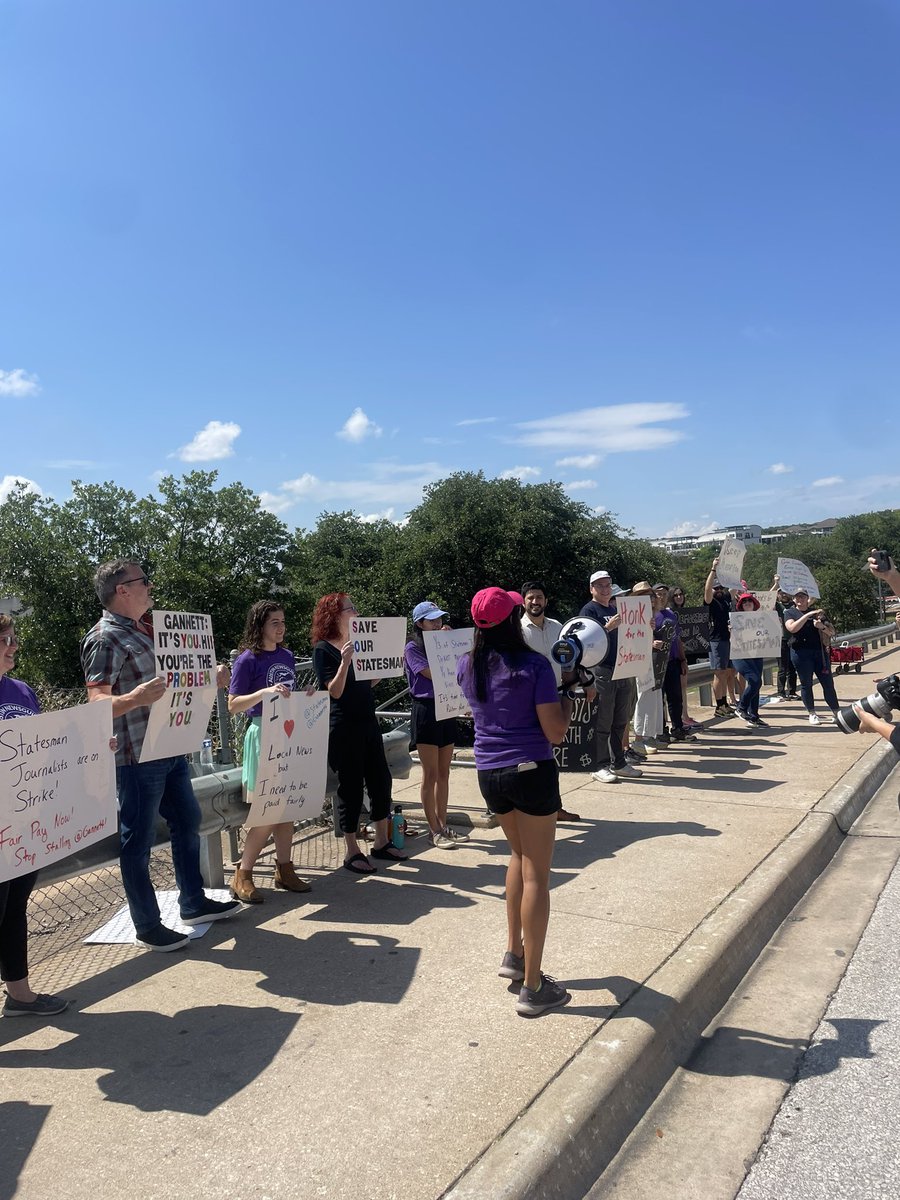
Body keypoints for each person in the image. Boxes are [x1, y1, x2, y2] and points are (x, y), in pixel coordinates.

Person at [80, 561, 242, 952]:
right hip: (136, 756)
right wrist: (134, 698)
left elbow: (180, 679)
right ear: (122, 590)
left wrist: (211, 675)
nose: (151, 587)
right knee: (137, 840)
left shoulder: (150, 631)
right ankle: (147, 925)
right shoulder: (104, 638)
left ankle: (193, 902)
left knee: (187, 820)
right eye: (143, 581)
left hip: (169, 745)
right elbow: (96, 700)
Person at [457, 586, 574, 1017]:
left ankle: (513, 954)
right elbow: (556, 731)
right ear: (513, 620)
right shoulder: (534, 666)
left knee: (518, 856)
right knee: (538, 877)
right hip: (531, 771)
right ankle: (534, 987)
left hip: (490, 774)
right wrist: (571, 694)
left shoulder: (467, 665)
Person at [0, 615, 69, 1016]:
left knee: (13, 908)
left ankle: (20, 995)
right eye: (5, 640)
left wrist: (97, 745)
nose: (13, 646)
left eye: (14, 638)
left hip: (24, 823)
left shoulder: (23, 691)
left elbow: (46, 749)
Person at [311, 593, 407, 874]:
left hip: (367, 721)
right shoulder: (323, 650)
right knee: (350, 788)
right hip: (343, 726)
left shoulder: (361, 642)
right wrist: (345, 661)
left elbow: (368, 681)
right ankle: (351, 849)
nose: (356, 611)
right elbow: (335, 690)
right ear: (335, 614)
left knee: (381, 780)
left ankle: (381, 840)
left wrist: (387, 663)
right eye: (351, 608)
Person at [227, 601, 312, 903]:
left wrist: (308, 699)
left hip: (287, 733)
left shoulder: (287, 656)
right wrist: (262, 694)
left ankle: (284, 869)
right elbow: (233, 704)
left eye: (283, 622)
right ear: (259, 625)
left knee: (287, 809)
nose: (281, 627)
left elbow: (288, 697)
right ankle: (243, 874)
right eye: (274, 622)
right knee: (269, 810)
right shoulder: (247, 660)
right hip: (263, 734)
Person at [404, 601, 468, 849]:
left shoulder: (442, 640)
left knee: (444, 772)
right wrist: (445, 646)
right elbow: (435, 673)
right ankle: (433, 829)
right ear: (420, 624)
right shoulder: (412, 647)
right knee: (429, 774)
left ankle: (443, 824)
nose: (437, 623)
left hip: (446, 707)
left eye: (439, 619)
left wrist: (451, 643)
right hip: (426, 710)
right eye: (431, 620)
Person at [519, 581, 582, 820]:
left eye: (539, 597)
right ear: (524, 602)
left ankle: (554, 807)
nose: (535, 602)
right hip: (529, 701)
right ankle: (533, 809)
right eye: (531, 598)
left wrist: (583, 684)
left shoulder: (559, 627)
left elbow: (572, 658)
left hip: (556, 695)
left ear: (546, 600)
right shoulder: (518, 630)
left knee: (551, 755)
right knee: (533, 756)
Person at [580, 570, 638, 784]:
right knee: (603, 719)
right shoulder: (589, 610)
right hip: (602, 669)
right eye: (600, 585)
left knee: (620, 719)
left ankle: (619, 762)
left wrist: (644, 629)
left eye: (608, 585)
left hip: (622, 666)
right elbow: (586, 640)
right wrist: (607, 627)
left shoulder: (615, 607)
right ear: (592, 589)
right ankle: (600, 764)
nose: (605, 589)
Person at [783, 587, 840, 724]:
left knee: (828, 683)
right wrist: (806, 616)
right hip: (800, 653)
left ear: (808, 599)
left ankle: (836, 711)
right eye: (797, 597)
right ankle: (812, 713)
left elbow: (832, 633)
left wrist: (821, 627)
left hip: (819, 652)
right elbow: (792, 628)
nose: (800, 599)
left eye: (802, 597)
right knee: (806, 684)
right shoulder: (790, 612)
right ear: (793, 599)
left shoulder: (817, 613)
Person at [654, 584, 697, 742]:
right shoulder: (650, 615)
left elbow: (677, 639)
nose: (662, 597)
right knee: (659, 699)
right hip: (656, 662)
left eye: (664, 594)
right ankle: (661, 730)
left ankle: (677, 728)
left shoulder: (671, 614)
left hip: (672, 661)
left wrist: (683, 659)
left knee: (675, 697)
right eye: (658, 594)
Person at [730, 592, 767, 727]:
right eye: (744, 602)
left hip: (756, 653)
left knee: (755, 686)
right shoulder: (735, 619)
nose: (747, 604)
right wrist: (731, 629)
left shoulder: (762, 618)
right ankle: (741, 707)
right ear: (741, 606)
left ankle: (754, 716)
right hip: (740, 654)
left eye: (749, 601)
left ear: (754, 604)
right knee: (755, 681)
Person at [704, 560, 734, 718]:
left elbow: (735, 587)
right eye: (717, 588)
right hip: (715, 640)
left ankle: (724, 704)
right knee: (719, 673)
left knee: (725, 672)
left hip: (726, 639)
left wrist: (738, 565)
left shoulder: (725, 599)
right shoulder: (710, 601)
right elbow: (707, 589)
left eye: (721, 587)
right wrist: (713, 569)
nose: (719, 590)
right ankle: (719, 706)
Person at [668, 585, 701, 728]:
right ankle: (681, 717)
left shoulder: (688, 613)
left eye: (681, 594)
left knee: (683, 686)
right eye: (675, 595)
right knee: (677, 688)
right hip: (675, 654)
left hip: (689, 651)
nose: (679, 597)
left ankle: (685, 715)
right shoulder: (669, 613)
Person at [771, 576, 799, 701]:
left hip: (793, 638)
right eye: (780, 592)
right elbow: (768, 597)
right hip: (781, 639)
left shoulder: (794, 605)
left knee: (793, 667)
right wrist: (776, 584)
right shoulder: (776, 605)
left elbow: (809, 601)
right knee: (782, 667)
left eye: (784, 591)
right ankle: (781, 692)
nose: (783, 594)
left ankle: (792, 691)